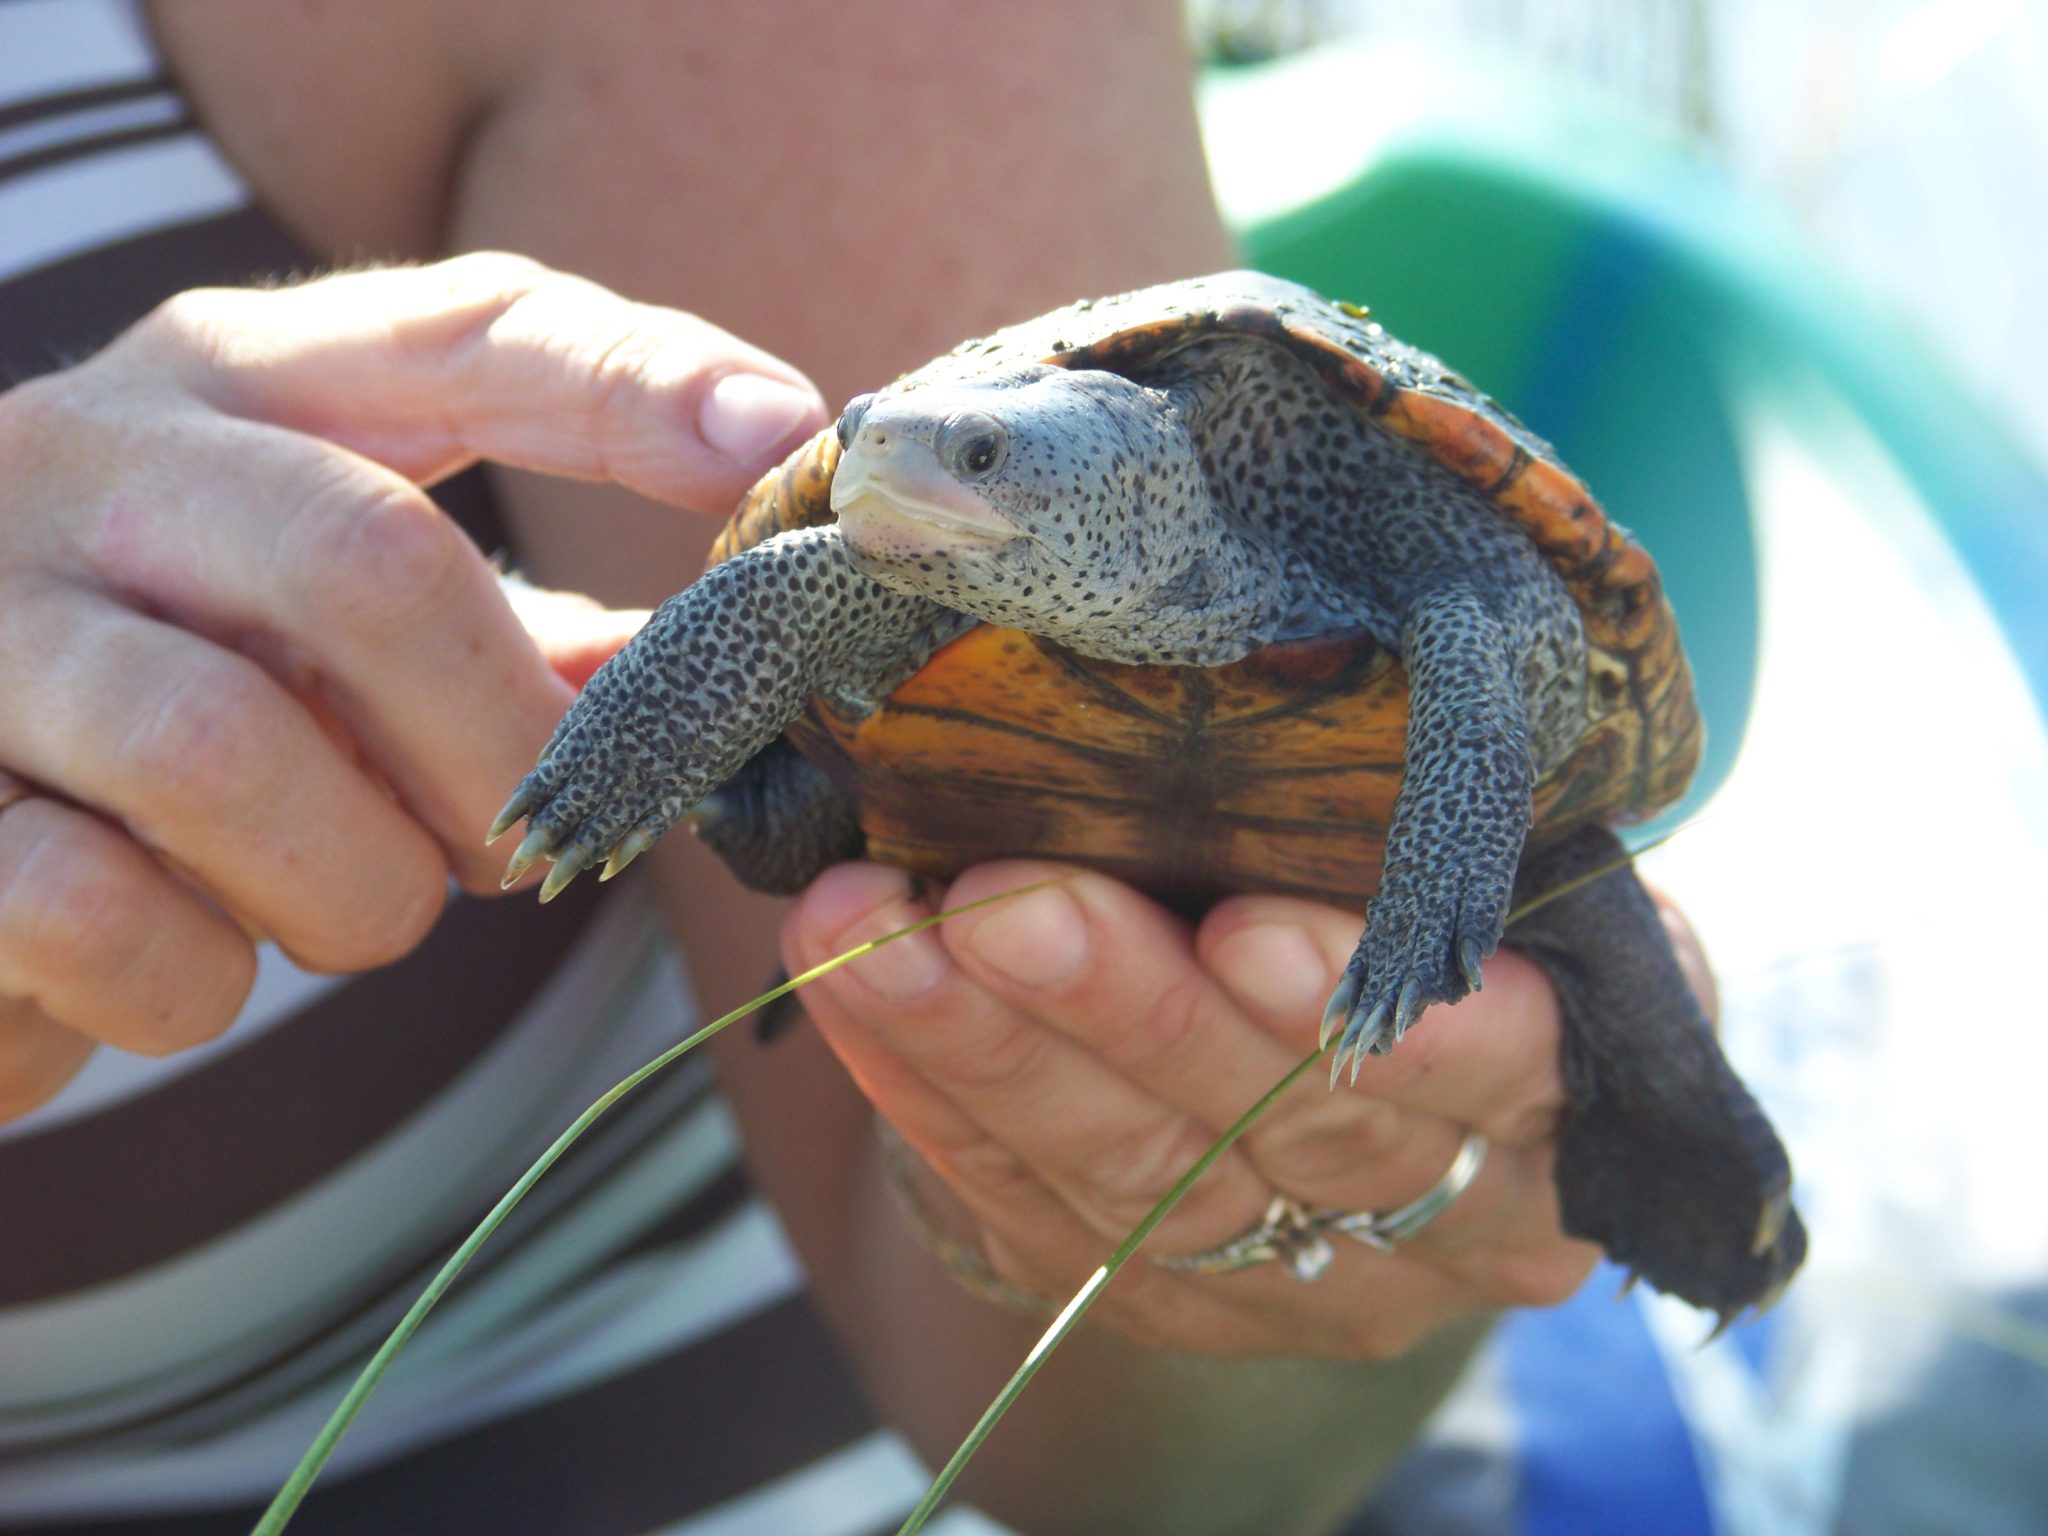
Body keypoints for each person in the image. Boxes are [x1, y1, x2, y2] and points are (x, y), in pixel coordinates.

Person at [0, 3, 1683, 1531]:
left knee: (1581, 922)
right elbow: (797, 570)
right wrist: (643, 746)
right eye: (888, 438)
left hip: (850, 1444)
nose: (887, 464)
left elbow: (1478, 614)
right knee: (811, 630)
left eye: (962, 450)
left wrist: (1409, 1013)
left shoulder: (1324, 479)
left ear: (1100, 468)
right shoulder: (892, 549)